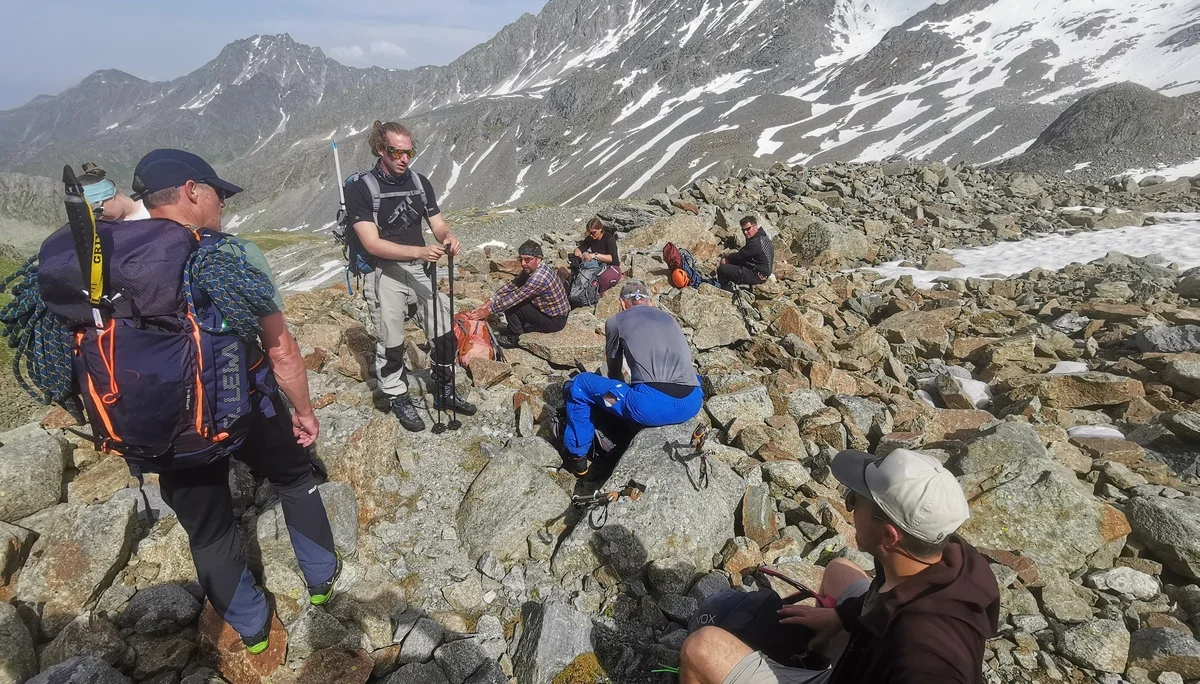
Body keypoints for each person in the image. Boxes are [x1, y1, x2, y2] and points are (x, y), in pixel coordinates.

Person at [131, 149, 348, 654]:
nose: (223, 204)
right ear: (191, 191)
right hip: (245, 405)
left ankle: (251, 631)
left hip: (163, 427)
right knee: (295, 477)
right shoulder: (229, 254)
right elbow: (282, 351)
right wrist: (305, 412)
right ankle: (320, 584)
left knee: (208, 530)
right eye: (217, 193)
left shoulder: (104, 264)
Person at [679, 448, 1000, 684]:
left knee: (701, 648)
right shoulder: (948, 554)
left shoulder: (923, 657)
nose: (849, 508)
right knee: (839, 570)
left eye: (854, 501)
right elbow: (890, 600)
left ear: (889, 535)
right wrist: (843, 617)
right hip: (863, 661)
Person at [346, 120, 476, 433]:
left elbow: (438, 223)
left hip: (420, 268)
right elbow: (371, 242)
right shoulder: (361, 187)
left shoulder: (420, 182)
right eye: (396, 152)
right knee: (391, 339)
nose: (405, 158)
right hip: (385, 270)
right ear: (380, 149)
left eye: (410, 151)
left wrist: (448, 237)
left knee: (444, 330)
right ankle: (398, 395)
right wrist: (418, 252)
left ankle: (444, 389)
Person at [559, 279, 703, 476]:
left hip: (651, 406)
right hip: (692, 402)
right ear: (650, 302)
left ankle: (577, 457)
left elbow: (614, 371)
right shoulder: (669, 319)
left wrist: (613, 397)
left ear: (622, 303)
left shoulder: (615, 321)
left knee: (581, 384)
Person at [467, 240, 569, 348]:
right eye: (521, 259)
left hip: (555, 320)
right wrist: (490, 301)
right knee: (512, 300)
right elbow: (514, 284)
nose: (523, 263)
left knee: (512, 305)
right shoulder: (532, 269)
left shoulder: (539, 277)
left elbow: (514, 297)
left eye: (527, 259)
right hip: (552, 313)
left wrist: (487, 311)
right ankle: (520, 327)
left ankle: (514, 339)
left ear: (539, 258)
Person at [79, 161, 152, 220]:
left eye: (97, 210)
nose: (99, 217)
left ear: (109, 194)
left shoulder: (154, 209)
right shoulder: (106, 230)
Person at [717, 215, 774, 289]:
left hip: (757, 276)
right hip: (760, 271)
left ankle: (724, 289)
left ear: (755, 226)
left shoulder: (755, 243)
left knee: (723, 268)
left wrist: (727, 256)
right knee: (731, 261)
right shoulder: (762, 236)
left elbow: (739, 256)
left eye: (748, 229)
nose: (745, 232)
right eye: (743, 230)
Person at [571, 218, 622, 294]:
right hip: (598, 265)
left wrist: (595, 255)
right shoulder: (591, 238)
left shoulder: (609, 238)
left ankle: (600, 294)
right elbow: (581, 248)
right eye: (590, 233)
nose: (591, 235)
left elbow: (612, 259)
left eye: (593, 232)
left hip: (612, 266)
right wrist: (578, 251)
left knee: (603, 278)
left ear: (600, 229)